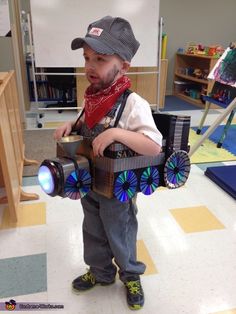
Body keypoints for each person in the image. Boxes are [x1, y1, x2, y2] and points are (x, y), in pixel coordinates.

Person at [54, 15, 162, 310]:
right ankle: (101, 272)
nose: (90, 66)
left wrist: (117, 132)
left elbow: (153, 146)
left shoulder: (133, 104)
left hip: (117, 189)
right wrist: (70, 126)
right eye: (87, 57)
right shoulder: (92, 98)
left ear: (124, 65)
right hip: (90, 183)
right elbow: (86, 127)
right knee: (92, 229)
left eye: (100, 59)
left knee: (120, 231)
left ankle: (130, 274)